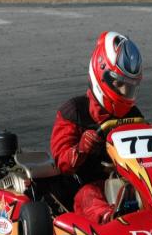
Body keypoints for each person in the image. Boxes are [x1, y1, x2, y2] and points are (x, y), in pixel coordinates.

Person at [50, 31, 144, 224]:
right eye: (120, 84)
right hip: (80, 188)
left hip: (123, 185)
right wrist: (81, 149)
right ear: (102, 77)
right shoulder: (74, 111)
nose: (126, 92)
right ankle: (112, 221)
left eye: (131, 87)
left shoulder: (133, 115)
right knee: (89, 195)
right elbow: (61, 162)